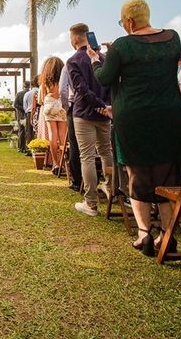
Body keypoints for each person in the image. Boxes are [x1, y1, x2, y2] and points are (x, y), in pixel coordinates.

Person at [89, 0, 181, 256]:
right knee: (167, 172)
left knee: (137, 171)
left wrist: (96, 60)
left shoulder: (122, 45)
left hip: (134, 115)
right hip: (169, 113)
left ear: (129, 22)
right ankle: (167, 232)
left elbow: (105, 78)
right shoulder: (173, 39)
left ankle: (144, 233)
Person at [67, 23, 112, 217]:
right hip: (105, 113)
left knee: (86, 156)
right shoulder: (102, 58)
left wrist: (98, 105)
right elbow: (110, 84)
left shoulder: (73, 60)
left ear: (75, 39)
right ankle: (111, 189)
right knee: (105, 151)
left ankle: (91, 202)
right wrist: (105, 106)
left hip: (85, 113)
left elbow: (81, 89)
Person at [39, 57, 68, 175]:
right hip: (61, 103)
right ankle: (64, 163)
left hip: (49, 103)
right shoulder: (63, 77)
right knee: (62, 136)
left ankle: (55, 163)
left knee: (52, 135)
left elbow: (41, 100)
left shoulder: (45, 80)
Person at [60, 50, 83, 192]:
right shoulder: (100, 58)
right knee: (102, 146)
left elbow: (63, 89)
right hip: (101, 106)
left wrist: (66, 107)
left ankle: (78, 181)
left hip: (76, 106)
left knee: (75, 144)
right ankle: (107, 181)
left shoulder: (70, 62)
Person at [23, 76, 39, 155]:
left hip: (30, 112)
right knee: (38, 131)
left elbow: (25, 105)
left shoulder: (27, 94)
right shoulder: (40, 91)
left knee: (29, 132)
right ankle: (39, 148)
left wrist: (27, 112)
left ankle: (29, 150)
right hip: (39, 112)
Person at [14, 81, 30, 153]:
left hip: (20, 115)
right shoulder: (30, 93)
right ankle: (28, 148)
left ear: (23, 86)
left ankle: (20, 148)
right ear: (29, 86)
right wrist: (25, 109)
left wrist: (23, 109)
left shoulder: (19, 93)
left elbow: (15, 105)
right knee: (29, 132)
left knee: (21, 131)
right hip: (28, 114)